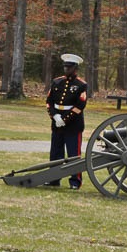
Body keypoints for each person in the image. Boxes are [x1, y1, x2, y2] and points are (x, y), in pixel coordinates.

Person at [45, 53, 87, 189]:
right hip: (57, 123)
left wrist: (65, 119)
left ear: (75, 68)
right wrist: (55, 116)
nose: (66, 69)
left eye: (69, 67)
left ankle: (75, 181)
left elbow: (80, 105)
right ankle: (53, 179)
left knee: (73, 154)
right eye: (65, 67)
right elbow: (49, 102)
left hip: (73, 125)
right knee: (55, 153)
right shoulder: (57, 82)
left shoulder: (81, 85)